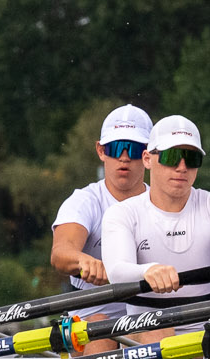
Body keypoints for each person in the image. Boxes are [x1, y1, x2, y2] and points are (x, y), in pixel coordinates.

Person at [97, 115, 210, 338]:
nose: (182, 167)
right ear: (147, 159)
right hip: (146, 324)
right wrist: (149, 270)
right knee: (158, 331)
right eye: (172, 156)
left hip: (207, 321)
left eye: (191, 158)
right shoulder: (122, 213)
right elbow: (116, 272)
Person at [49, 105, 152, 330]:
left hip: (147, 314)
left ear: (148, 155)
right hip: (92, 313)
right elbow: (60, 254)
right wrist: (83, 261)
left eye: (134, 149)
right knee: (100, 328)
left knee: (157, 330)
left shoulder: (163, 203)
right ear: (101, 151)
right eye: (116, 148)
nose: (124, 158)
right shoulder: (84, 202)